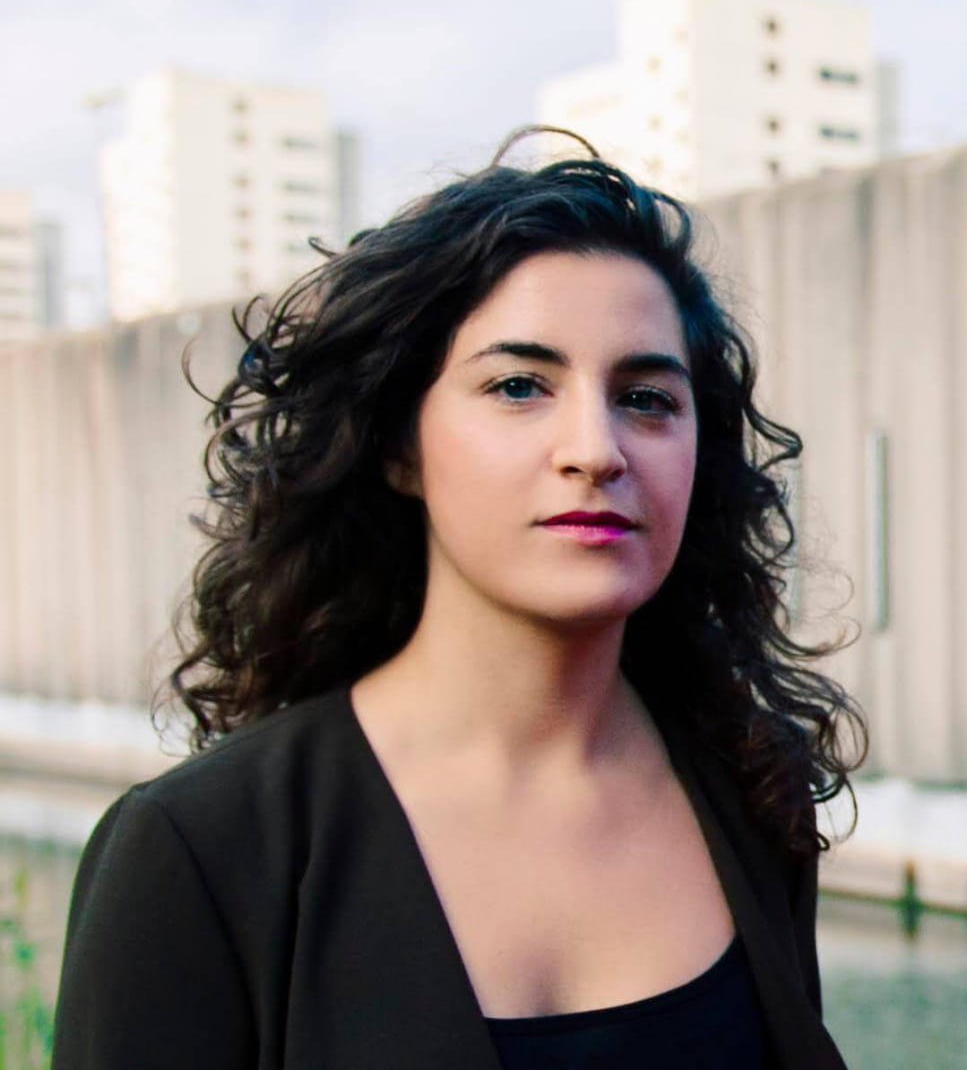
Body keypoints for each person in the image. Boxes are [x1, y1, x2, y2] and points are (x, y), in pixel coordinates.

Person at [51, 127, 866, 1069]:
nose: (595, 450)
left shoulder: (750, 786)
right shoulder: (201, 850)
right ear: (399, 448)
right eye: (519, 386)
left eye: (646, 398)